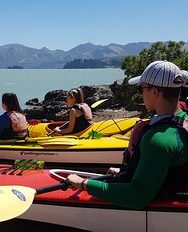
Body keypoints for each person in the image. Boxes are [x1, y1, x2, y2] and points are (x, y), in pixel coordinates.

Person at [67, 60, 188, 209]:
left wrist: (83, 184)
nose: (141, 93)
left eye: (142, 88)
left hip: (156, 213)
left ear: (155, 92)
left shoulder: (158, 139)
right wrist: (130, 171)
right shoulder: (183, 121)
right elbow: (169, 170)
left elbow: (137, 196)